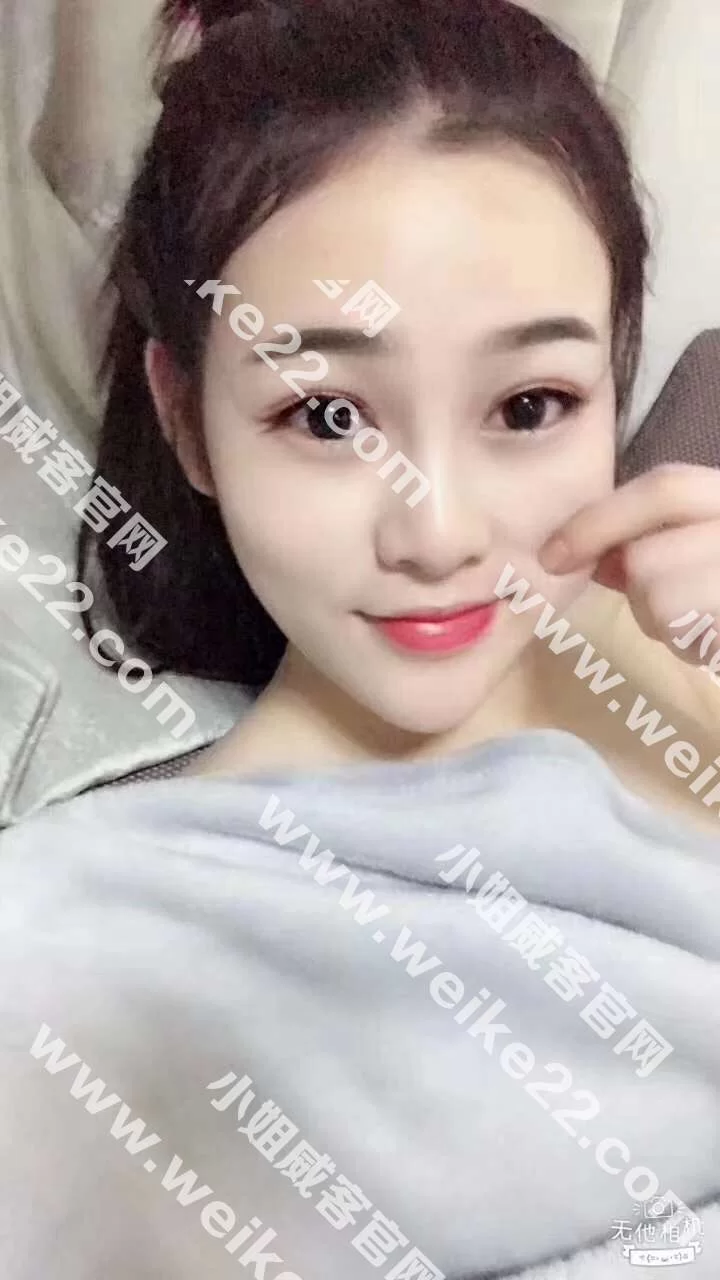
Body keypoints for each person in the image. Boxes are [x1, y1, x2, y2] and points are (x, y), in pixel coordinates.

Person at [0, 0, 718, 1276]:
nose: (437, 534)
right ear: (186, 419)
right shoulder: (80, 949)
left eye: (531, 404)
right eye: (328, 418)